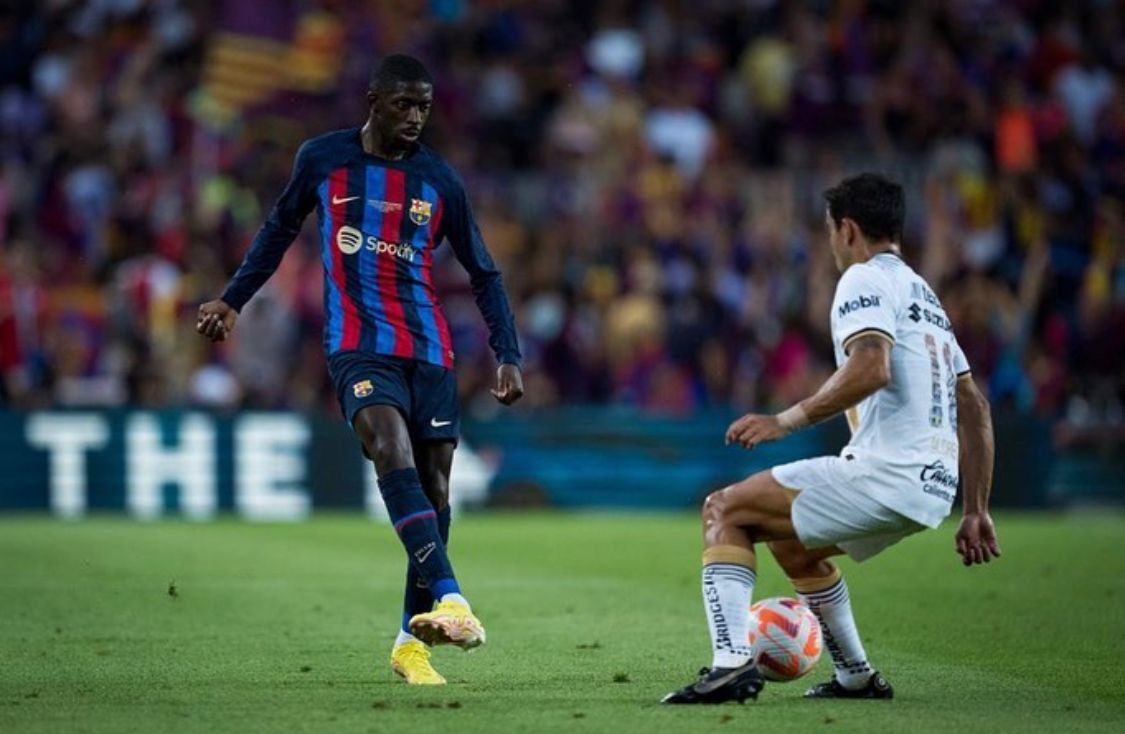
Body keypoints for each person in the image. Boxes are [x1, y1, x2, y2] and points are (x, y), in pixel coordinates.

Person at [196, 54, 524, 686]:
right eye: (404, 104)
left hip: (428, 347)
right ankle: (453, 599)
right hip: (357, 344)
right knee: (389, 447)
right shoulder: (323, 159)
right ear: (374, 100)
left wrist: (507, 352)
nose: (415, 117)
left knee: (436, 491)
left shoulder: (440, 181)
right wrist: (232, 299)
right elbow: (276, 231)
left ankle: (410, 643)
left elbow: (484, 271)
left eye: (424, 107)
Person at [662, 173, 1000, 705]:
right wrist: (975, 508)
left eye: (828, 232)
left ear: (847, 230)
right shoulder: (924, 295)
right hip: (932, 488)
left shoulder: (863, 279)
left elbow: (872, 367)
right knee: (792, 546)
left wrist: (786, 420)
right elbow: (975, 406)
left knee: (724, 510)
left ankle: (729, 666)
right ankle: (856, 676)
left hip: (885, 473)